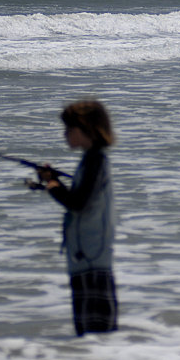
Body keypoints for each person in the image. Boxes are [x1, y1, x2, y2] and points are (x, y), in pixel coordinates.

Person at [35, 100, 118, 336]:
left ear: (87, 129)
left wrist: (52, 185)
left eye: (69, 129)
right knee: (91, 334)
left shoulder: (95, 160)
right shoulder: (91, 160)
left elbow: (78, 203)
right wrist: (53, 182)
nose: (65, 134)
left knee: (95, 332)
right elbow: (80, 198)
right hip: (87, 256)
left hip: (91, 257)